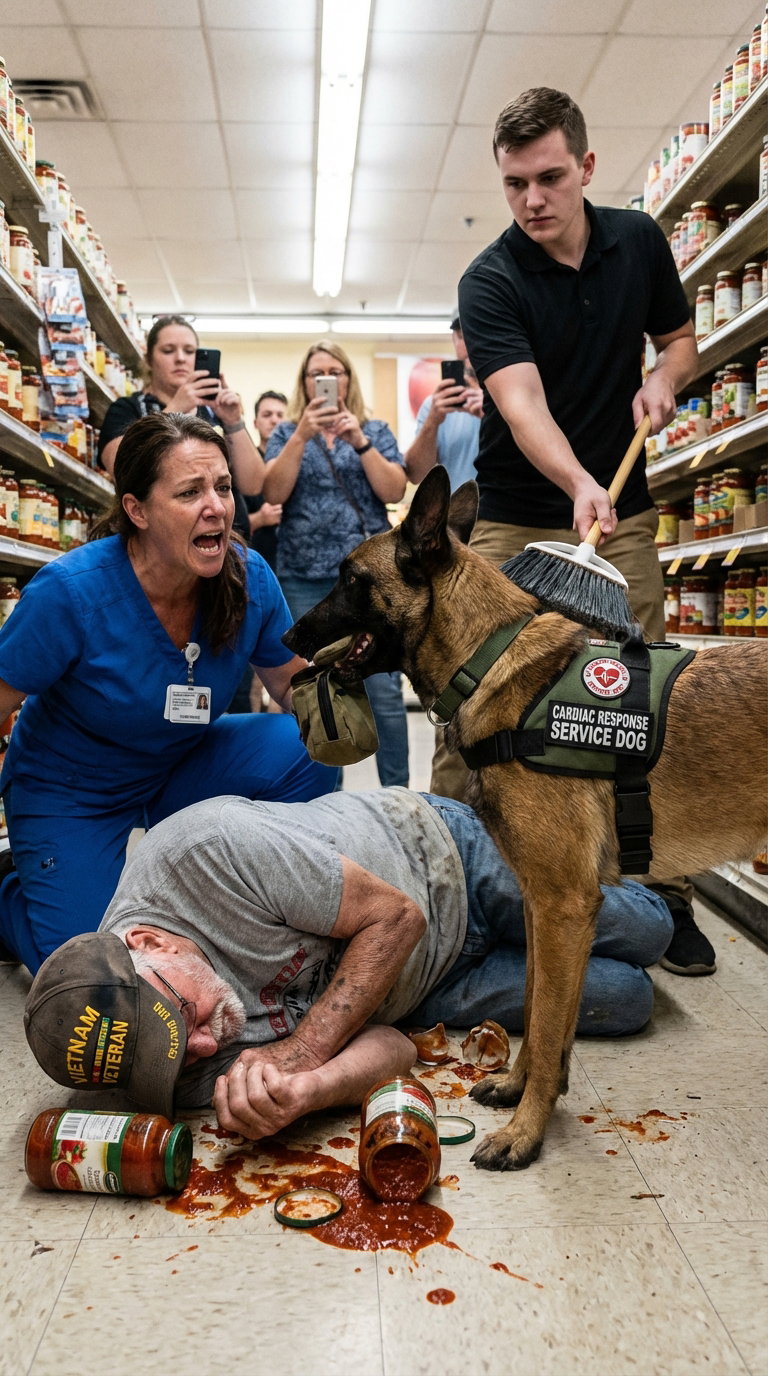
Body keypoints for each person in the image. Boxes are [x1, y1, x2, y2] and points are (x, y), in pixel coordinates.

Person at [436, 86, 710, 976]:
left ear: (586, 168)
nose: (531, 200)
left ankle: (666, 896)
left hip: (620, 515)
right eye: (515, 182)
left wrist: (667, 378)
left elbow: (680, 341)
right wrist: (577, 479)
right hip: (518, 510)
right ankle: (448, 883)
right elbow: (519, 404)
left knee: (646, 697)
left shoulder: (639, 241)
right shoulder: (490, 279)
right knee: (467, 697)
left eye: (550, 177)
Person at [23, 789, 675, 1140]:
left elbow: (399, 918)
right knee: (628, 1000)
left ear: (153, 942)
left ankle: (588, 857)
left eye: (183, 1014)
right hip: (430, 986)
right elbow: (394, 1047)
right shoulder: (163, 1061)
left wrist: (302, 1054)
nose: (205, 1043)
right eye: (178, 1056)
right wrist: (309, 1095)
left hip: (442, 858)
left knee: (650, 931)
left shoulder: (205, 852)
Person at [0, 413, 336, 974]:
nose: (218, 507)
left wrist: (348, 686)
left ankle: (240, 894)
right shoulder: (71, 593)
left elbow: (292, 686)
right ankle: (13, 892)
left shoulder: (246, 576)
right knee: (94, 967)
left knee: (306, 746)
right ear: (137, 510)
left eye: (223, 487)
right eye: (190, 492)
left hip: (181, 762)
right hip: (74, 787)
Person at [263, 340, 410, 787]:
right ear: (304, 383)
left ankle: (400, 799)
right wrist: (302, 435)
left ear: (348, 378)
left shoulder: (376, 429)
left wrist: (360, 442)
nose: (326, 380)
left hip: (366, 583)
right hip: (303, 576)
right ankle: (318, 795)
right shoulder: (287, 432)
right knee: (309, 688)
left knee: (383, 690)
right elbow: (273, 492)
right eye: (316, 374)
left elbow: (394, 491)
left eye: (335, 371)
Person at [96, 314, 262, 545]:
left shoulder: (215, 412)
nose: (181, 359)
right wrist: (176, 408)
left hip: (229, 543)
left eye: (190, 351)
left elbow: (253, 484)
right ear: (149, 359)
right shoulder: (128, 409)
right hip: (157, 545)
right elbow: (120, 466)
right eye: (168, 350)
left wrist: (234, 421)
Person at [404, 316, 483, 490]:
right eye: (462, 337)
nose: (470, 343)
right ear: (454, 341)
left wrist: (493, 414)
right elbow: (416, 475)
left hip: (506, 512)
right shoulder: (434, 406)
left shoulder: (515, 399)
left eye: (477, 334)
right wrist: (432, 422)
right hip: (455, 513)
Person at [246, 390, 287, 571]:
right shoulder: (244, 466)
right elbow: (231, 523)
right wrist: (260, 519)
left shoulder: (302, 463)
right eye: (267, 414)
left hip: (298, 565)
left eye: (280, 415)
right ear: (255, 423)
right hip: (257, 563)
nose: (274, 420)